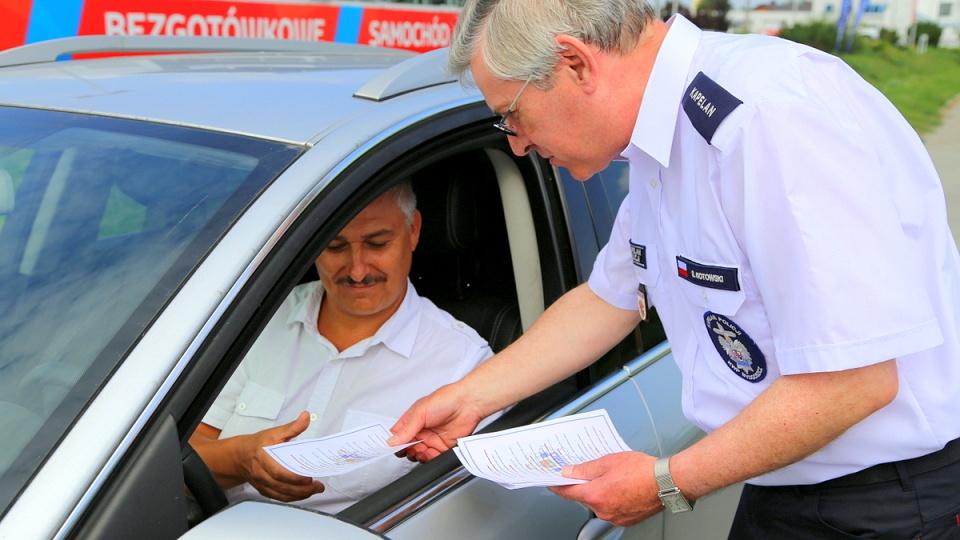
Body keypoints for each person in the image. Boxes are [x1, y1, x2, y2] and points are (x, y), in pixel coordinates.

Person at [388, 1, 960, 537]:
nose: (517, 145)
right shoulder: (661, 135)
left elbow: (855, 380)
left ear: (575, 63)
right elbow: (611, 297)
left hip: (880, 505)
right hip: (786, 488)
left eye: (511, 117)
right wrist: (470, 398)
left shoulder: (767, 119)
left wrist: (666, 482)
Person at [190, 181, 494, 514]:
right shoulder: (255, 321)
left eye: (377, 244)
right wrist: (243, 458)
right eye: (335, 246)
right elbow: (173, 462)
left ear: (413, 230)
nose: (357, 270)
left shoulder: (464, 365)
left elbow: (468, 510)